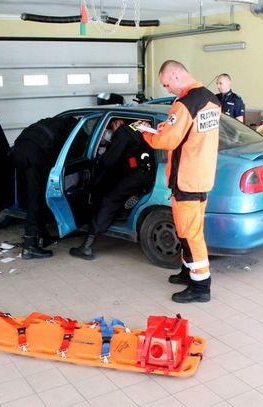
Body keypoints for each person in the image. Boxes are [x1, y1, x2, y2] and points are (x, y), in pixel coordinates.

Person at [139, 60, 221, 304]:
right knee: (188, 230)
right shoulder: (210, 100)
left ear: (176, 75)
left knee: (190, 234)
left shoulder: (185, 103)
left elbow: (167, 141)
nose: (167, 89)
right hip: (201, 176)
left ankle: (201, 286)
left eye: (166, 84)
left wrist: (145, 133)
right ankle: (188, 271)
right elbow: (189, 134)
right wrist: (166, 128)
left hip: (186, 179)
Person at [69, 118, 155, 260]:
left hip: (135, 175)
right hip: (147, 172)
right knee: (119, 188)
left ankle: (87, 245)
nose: (110, 132)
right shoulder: (140, 127)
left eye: (110, 128)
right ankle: (127, 205)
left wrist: (100, 161)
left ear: (117, 122)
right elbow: (131, 155)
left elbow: (109, 161)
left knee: (109, 200)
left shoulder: (122, 132)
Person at [12, 115, 78, 259]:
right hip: (34, 154)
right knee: (35, 198)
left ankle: (42, 235)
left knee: (35, 196)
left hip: (18, 149)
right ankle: (29, 246)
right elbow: (67, 151)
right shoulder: (73, 126)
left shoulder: (55, 121)